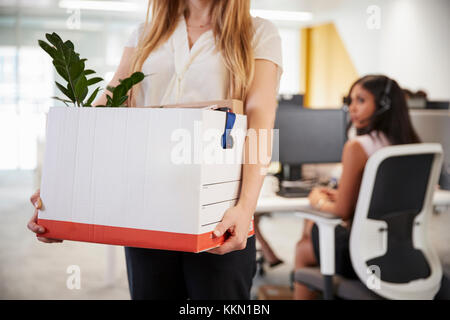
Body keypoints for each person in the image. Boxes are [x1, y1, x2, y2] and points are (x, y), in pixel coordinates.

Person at [27, 0, 283, 300]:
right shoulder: (145, 34)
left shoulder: (258, 33)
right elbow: (109, 106)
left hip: (220, 212)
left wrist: (246, 208)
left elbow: (260, 120)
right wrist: (65, 196)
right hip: (147, 207)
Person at [293, 75, 421, 300]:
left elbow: (342, 212)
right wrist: (347, 195)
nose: (352, 108)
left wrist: (317, 199)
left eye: (360, 100)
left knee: (304, 245)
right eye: (350, 100)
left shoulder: (357, 147)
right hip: (404, 249)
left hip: (364, 254)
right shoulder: (412, 145)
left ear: (383, 106)